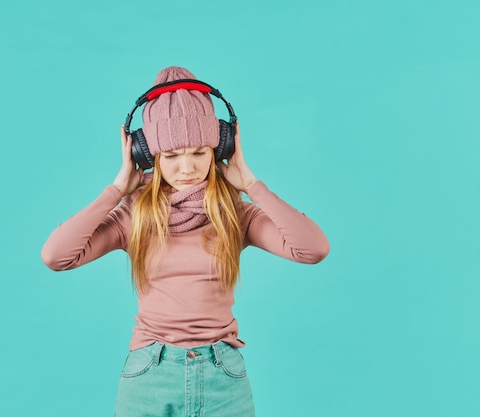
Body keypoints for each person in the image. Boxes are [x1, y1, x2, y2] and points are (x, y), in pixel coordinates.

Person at [41, 66, 329, 417]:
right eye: (172, 156)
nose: (187, 167)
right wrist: (115, 191)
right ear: (149, 157)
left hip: (223, 374)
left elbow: (312, 249)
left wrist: (252, 185)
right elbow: (57, 256)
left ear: (218, 148)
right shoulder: (134, 215)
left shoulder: (233, 213)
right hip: (150, 374)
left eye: (198, 152)